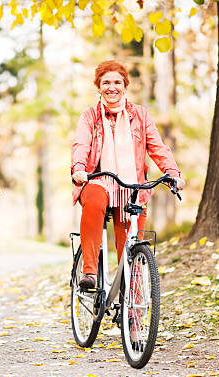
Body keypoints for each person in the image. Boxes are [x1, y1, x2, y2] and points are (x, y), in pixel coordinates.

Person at [71, 60, 184, 289]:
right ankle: (90, 272)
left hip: (131, 185)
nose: (111, 87)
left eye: (117, 82)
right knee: (94, 200)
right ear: (98, 86)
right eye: (106, 82)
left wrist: (172, 173)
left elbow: (158, 148)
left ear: (125, 85)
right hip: (97, 179)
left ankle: (132, 307)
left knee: (130, 249)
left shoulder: (140, 115)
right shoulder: (90, 116)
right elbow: (81, 144)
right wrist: (79, 168)